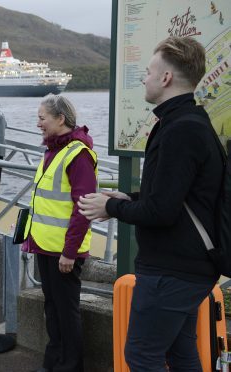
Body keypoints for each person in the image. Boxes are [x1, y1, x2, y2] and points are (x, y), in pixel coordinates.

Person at [78, 36, 223, 371]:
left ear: (166, 78)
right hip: (188, 268)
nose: (144, 78)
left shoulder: (179, 130)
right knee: (180, 352)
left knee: (142, 356)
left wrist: (110, 207)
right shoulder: (191, 122)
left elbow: (162, 212)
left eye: (148, 71)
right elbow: (175, 196)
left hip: (171, 272)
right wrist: (129, 198)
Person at [21, 94, 97, 372]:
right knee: (52, 309)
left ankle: (70, 367)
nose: (38, 123)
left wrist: (69, 252)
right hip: (44, 245)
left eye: (42, 118)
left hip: (64, 251)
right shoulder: (53, 151)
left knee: (66, 313)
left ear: (60, 119)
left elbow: (83, 208)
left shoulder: (78, 155)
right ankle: (53, 362)